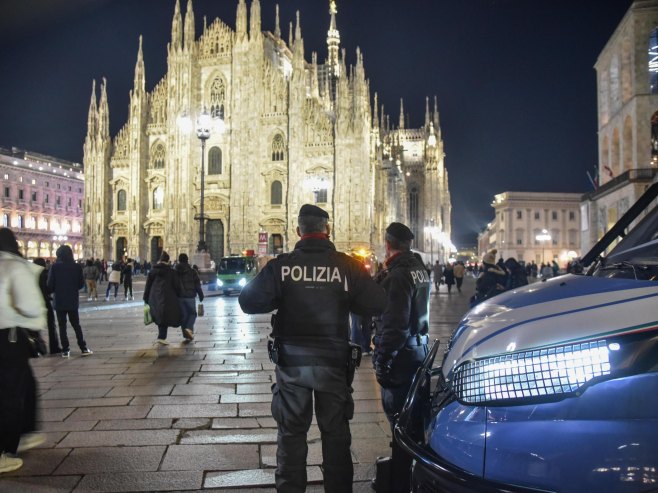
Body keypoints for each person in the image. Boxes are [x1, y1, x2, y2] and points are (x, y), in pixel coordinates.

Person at [238, 204, 387, 493]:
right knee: (336, 435)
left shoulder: (282, 266)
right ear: (327, 230)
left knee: (291, 435)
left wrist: (279, 295)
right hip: (333, 365)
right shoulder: (347, 266)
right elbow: (377, 303)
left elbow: (248, 301)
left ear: (298, 231)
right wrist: (348, 300)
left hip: (292, 365)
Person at [371, 222, 430, 493]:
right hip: (418, 352)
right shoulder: (420, 270)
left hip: (402, 357)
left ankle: (400, 482)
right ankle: (412, 477)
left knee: (399, 423)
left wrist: (382, 359)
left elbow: (395, 324)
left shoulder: (398, 276)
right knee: (414, 422)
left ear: (387, 243)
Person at [0, 229, 46, 473]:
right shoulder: (14, 266)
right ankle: (3, 451)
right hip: (8, 337)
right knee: (11, 392)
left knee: (25, 385)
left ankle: (27, 430)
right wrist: (35, 327)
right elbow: (29, 306)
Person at [47, 245, 93, 358]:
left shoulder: (54, 267)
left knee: (62, 326)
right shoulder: (76, 267)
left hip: (59, 301)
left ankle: (65, 350)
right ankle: (83, 348)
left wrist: (56, 290)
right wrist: (72, 289)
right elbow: (81, 284)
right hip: (72, 300)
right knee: (76, 325)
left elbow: (50, 285)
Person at [143, 251, 182, 345]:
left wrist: (146, 298)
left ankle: (161, 336)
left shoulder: (153, 271)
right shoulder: (172, 272)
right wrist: (179, 294)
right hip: (168, 296)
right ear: (168, 261)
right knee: (165, 315)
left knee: (159, 314)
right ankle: (161, 336)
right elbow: (177, 285)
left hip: (154, 296)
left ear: (160, 260)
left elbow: (148, 285)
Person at [33, 258, 61, 354]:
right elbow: (49, 288)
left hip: (34, 303)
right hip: (45, 301)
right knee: (51, 325)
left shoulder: (30, 275)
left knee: (35, 327)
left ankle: (36, 348)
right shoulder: (45, 274)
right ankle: (54, 347)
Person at [175, 253, 204, 342]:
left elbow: (172, 284)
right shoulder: (192, 271)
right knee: (192, 314)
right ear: (187, 260)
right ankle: (188, 329)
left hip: (179, 297)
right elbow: (197, 285)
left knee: (183, 316)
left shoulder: (175, 272)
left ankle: (186, 335)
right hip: (190, 296)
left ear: (179, 260)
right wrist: (200, 295)